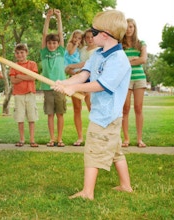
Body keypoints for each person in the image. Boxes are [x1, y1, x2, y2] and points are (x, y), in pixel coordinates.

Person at [52, 10, 133, 200]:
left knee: (93, 151)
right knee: (115, 151)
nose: (90, 36)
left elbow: (102, 85)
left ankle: (88, 193)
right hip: (103, 114)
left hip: (106, 116)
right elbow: (83, 74)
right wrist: (65, 83)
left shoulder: (119, 60)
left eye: (93, 32)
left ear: (104, 35)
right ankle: (126, 186)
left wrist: (76, 89)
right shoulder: (97, 54)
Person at [65, 29, 98, 146]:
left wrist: (72, 66)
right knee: (77, 109)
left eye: (92, 37)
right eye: (87, 37)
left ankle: (95, 136)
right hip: (79, 79)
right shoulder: (81, 50)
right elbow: (72, 59)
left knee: (92, 109)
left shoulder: (98, 50)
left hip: (91, 81)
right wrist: (70, 70)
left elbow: (87, 64)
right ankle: (80, 137)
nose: (89, 39)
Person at [40, 8, 66, 147]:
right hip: (47, 87)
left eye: (54, 43)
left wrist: (59, 17)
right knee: (50, 114)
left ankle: (60, 139)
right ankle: (52, 138)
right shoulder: (44, 53)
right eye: (50, 43)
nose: (52, 45)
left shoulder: (61, 52)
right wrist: (48, 18)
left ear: (57, 44)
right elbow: (44, 34)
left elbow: (60, 34)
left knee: (60, 114)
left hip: (60, 86)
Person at [121, 18, 148, 148]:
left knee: (138, 108)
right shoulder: (120, 45)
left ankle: (139, 139)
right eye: (126, 27)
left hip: (139, 78)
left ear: (134, 28)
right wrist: (131, 59)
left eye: (131, 27)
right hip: (125, 78)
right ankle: (126, 139)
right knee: (125, 109)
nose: (128, 29)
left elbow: (143, 59)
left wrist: (128, 60)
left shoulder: (141, 43)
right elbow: (118, 61)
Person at [9, 43, 39, 148]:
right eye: (17, 53)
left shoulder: (32, 64)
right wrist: (26, 76)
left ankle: (32, 140)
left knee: (31, 117)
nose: (20, 55)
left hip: (30, 93)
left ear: (26, 53)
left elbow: (33, 77)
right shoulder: (14, 66)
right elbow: (13, 80)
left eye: (22, 52)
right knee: (20, 118)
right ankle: (22, 139)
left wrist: (20, 76)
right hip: (18, 94)